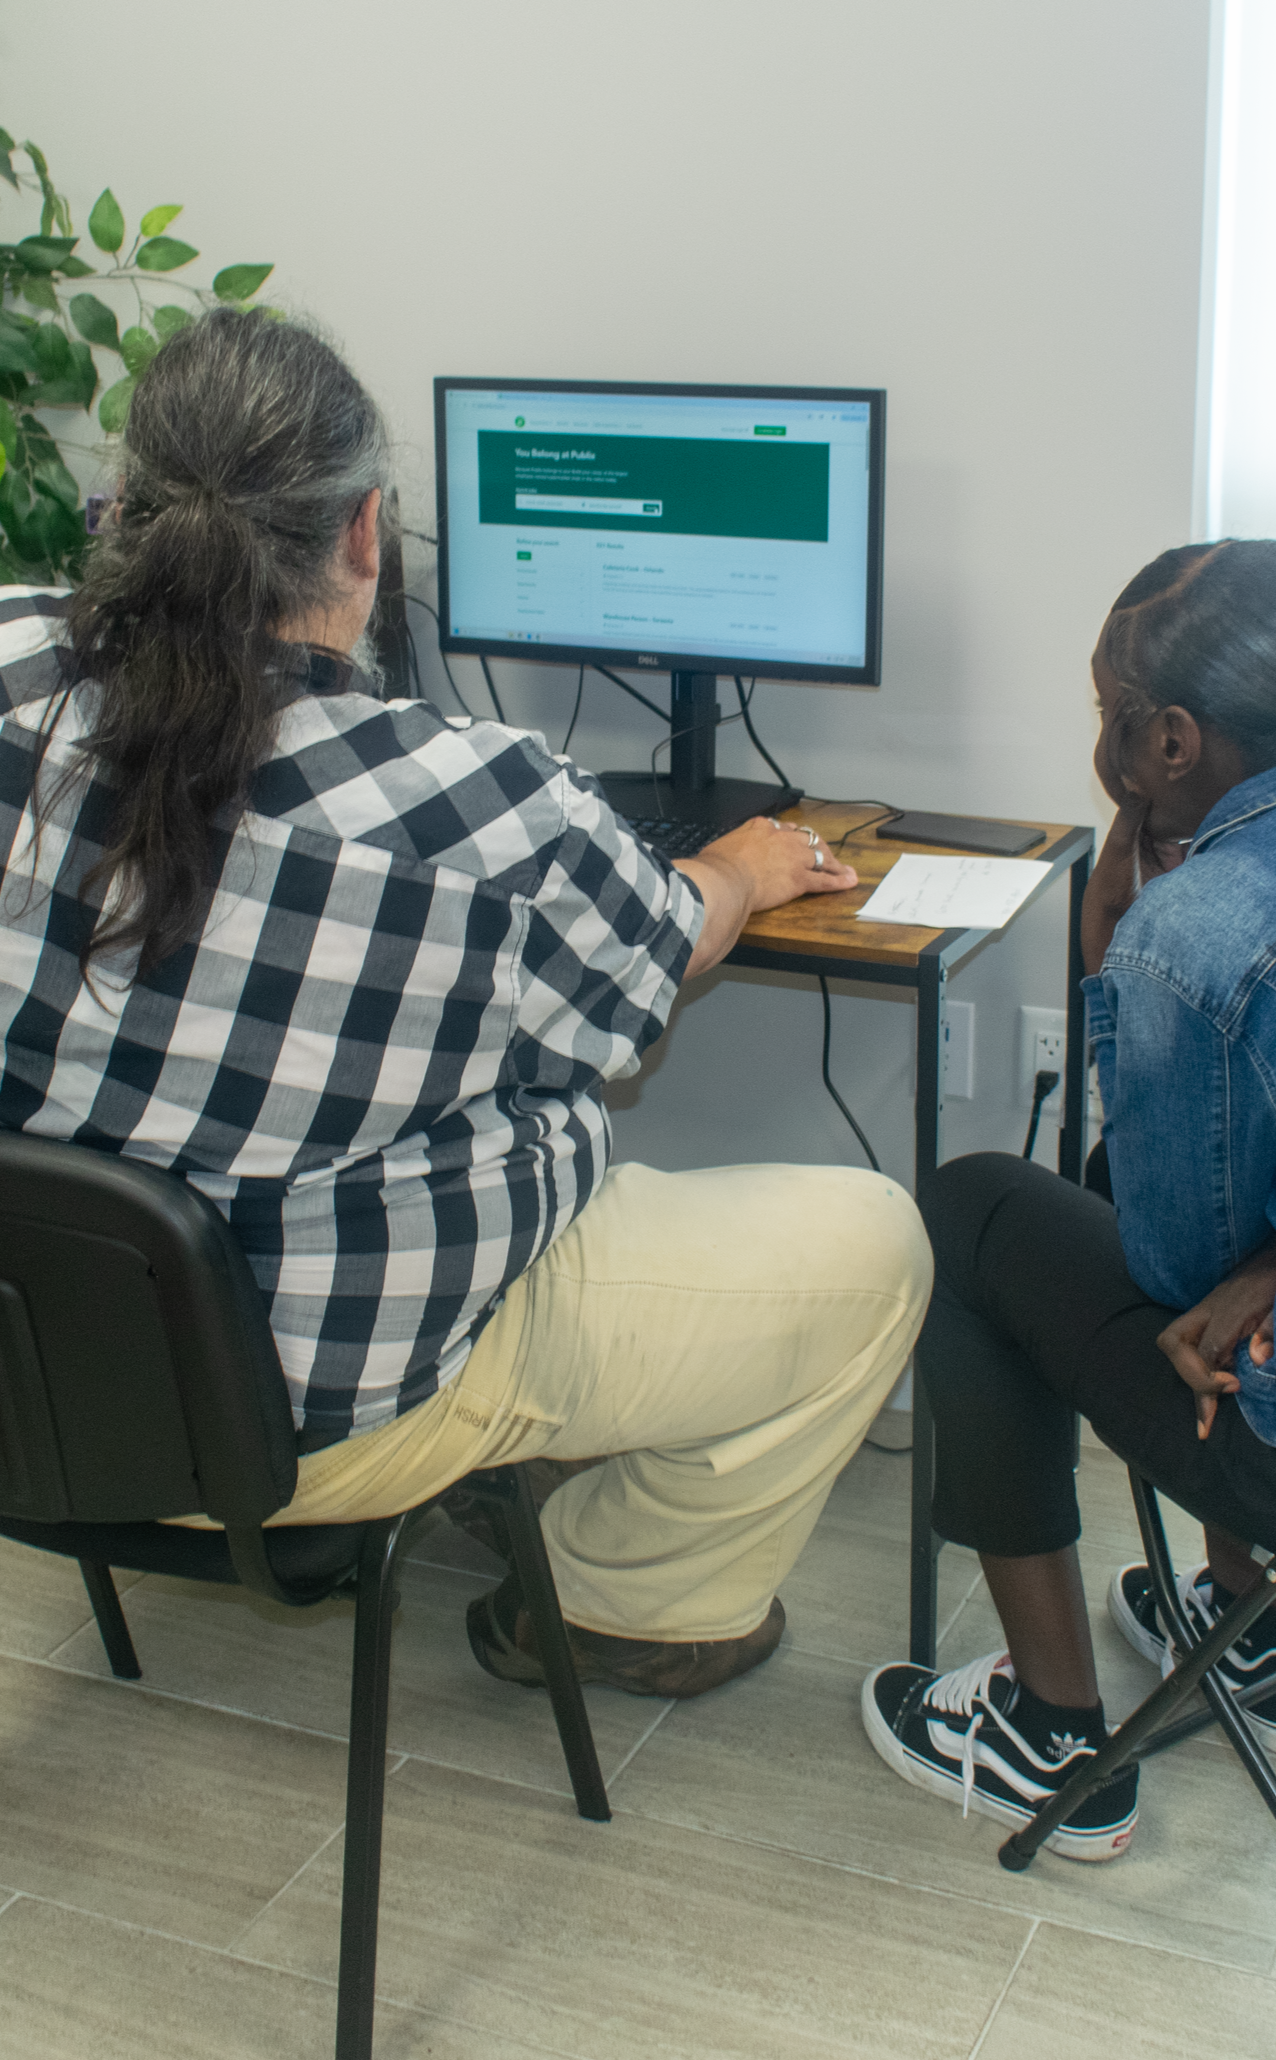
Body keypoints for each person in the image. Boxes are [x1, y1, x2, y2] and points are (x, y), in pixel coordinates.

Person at [0, 308, 931, 1699]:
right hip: (314, 1421)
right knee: (876, 1242)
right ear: (367, 535)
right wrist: (733, 871)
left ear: (123, 509)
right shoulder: (486, 808)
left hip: (40, 1384)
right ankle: (624, 1606)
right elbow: (655, 965)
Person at [862, 540, 1276, 1859]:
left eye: (1107, 714)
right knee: (1200, 1191)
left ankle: (1053, 1736)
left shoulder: (1206, 930)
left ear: (1169, 739)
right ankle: (1254, 1628)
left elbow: (1175, 1271)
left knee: (967, 1211)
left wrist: (1119, 968)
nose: (1102, 743)